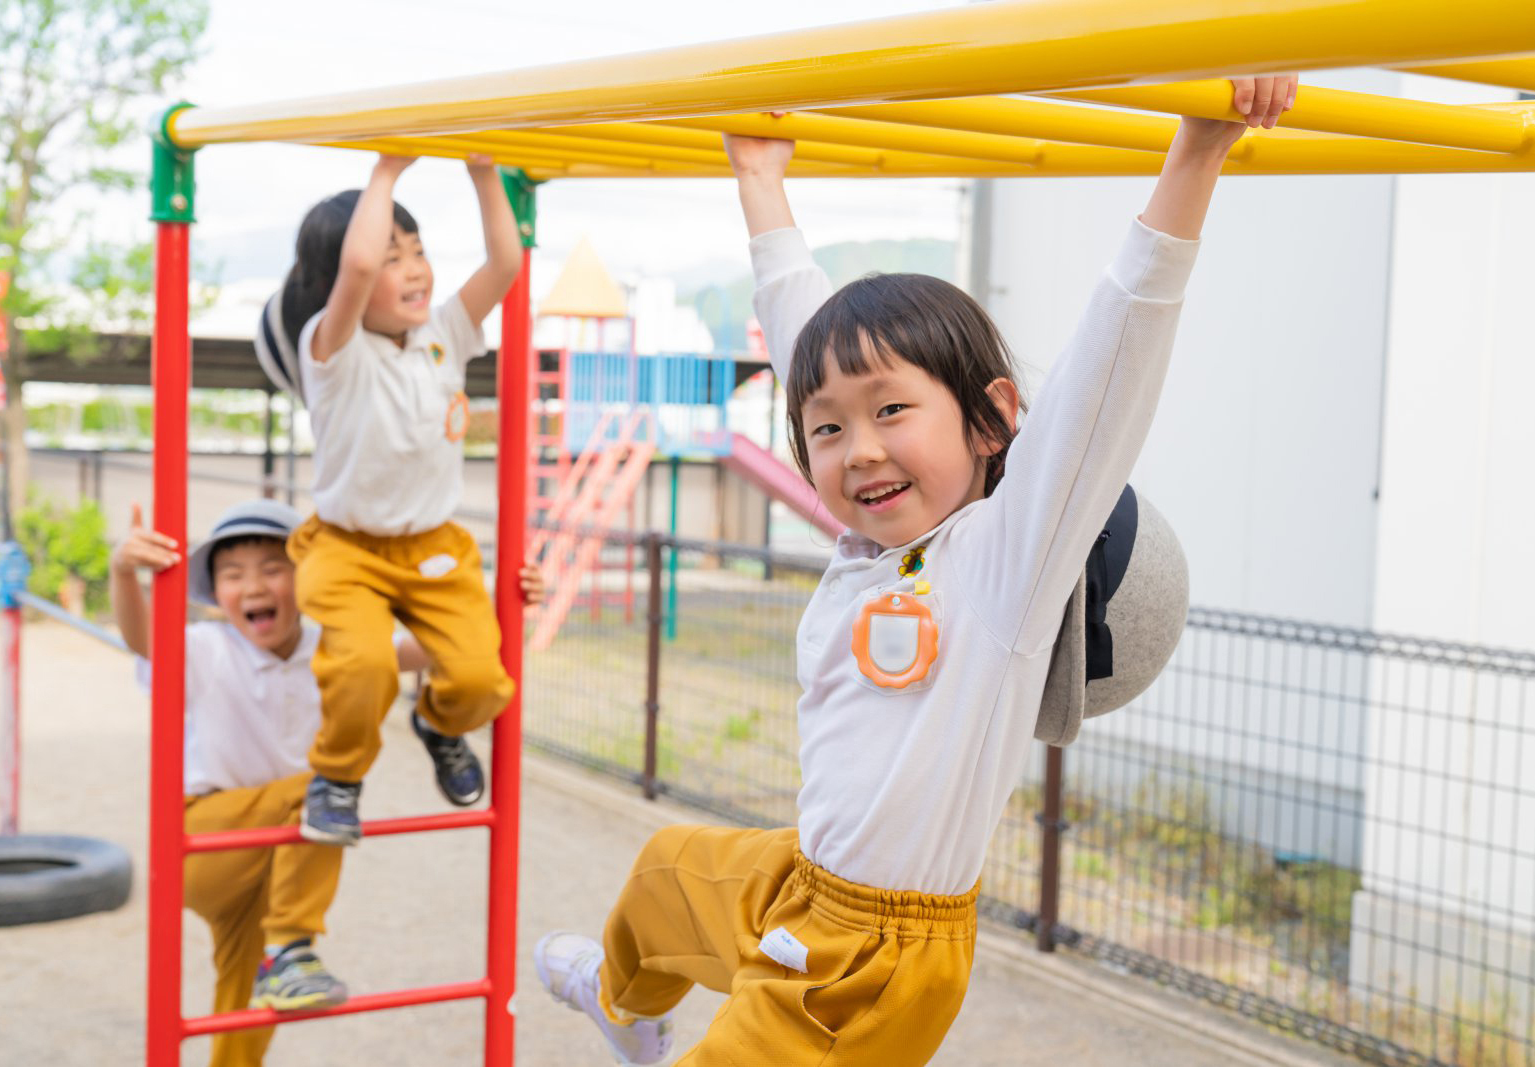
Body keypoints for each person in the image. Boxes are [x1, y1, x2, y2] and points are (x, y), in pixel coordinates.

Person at [533, 76, 1298, 1066]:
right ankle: (622, 998)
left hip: (872, 959)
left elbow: (1110, 372)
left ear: (991, 421)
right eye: (828, 428)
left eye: (893, 411)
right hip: (801, 880)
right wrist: (758, 182)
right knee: (668, 869)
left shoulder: (1001, 567)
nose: (859, 449)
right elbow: (804, 331)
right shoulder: (867, 546)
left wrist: (1195, 149)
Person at [112, 499, 543, 1065]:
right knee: (323, 789)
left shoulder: (337, 649)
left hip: (283, 854)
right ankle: (292, 946)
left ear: (308, 579)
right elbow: (145, 640)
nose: (253, 586)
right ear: (217, 594)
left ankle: (276, 967)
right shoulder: (208, 650)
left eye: (272, 569)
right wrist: (124, 572)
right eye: (233, 575)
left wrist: (507, 605)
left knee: (245, 993)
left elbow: (443, 646)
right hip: (208, 839)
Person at [269, 151, 525, 845]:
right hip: (346, 546)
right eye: (392, 256)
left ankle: (438, 723)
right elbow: (352, 271)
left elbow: (505, 264)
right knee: (362, 665)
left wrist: (482, 171)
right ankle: (339, 774)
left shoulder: (445, 333)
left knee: (479, 677)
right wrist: (386, 172)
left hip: (433, 545)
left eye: (418, 251)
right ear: (343, 280)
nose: (413, 269)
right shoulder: (332, 349)